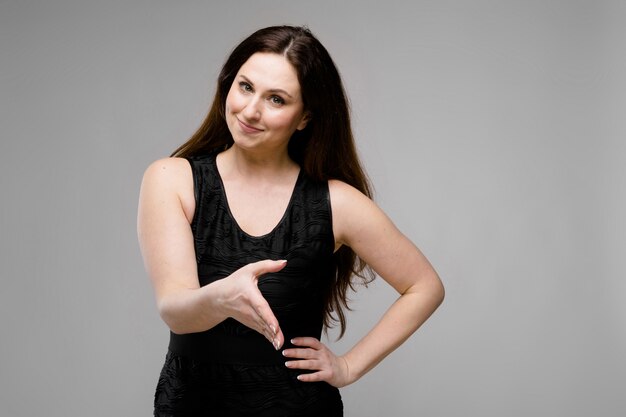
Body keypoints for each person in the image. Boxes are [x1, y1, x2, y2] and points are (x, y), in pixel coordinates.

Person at [137, 25, 444, 417]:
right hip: (191, 404)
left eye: (276, 99)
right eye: (245, 87)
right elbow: (175, 309)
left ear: (304, 118)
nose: (251, 110)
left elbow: (425, 286)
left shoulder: (336, 203)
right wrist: (223, 297)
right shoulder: (172, 179)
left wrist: (348, 366)